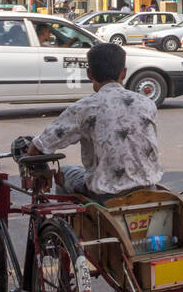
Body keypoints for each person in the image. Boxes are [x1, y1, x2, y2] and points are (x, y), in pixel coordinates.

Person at [27, 42, 162, 204]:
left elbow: (39, 147)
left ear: (89, 74)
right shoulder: (147, 104)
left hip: (106, 194)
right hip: (148, 188)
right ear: (123, 73)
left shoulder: (85, 108)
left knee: (64, 172)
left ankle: (67, 223)